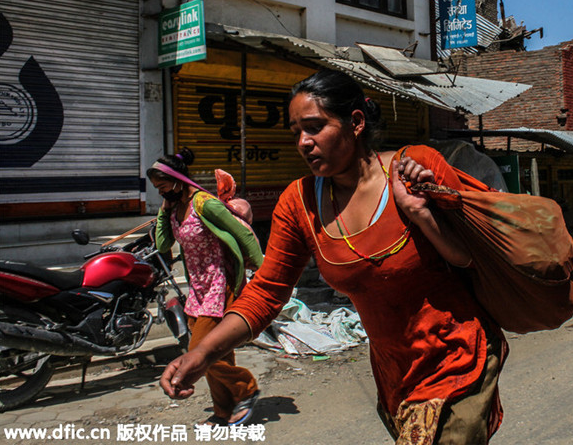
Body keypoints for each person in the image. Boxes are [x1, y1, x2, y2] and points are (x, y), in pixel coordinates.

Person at [158, 69, 508, 444]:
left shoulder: (415, 167)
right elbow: (267, 292)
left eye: (314, 127)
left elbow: (474, 258)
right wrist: (203, 354)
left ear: (355, 122)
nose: (304, 143)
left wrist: (422, 212)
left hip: (459, 357)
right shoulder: (299, 202)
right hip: (395, 376)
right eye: (296, 133)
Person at [147, 148, 264, 427]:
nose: (162, 194)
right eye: (157, 191)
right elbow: (162, 245)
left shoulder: (205, 203)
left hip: (219, 284)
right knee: (220, 351)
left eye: (164, 188)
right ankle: (224, 412)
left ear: (178, 180)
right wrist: (164, 211)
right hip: (198, 288)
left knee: (201, 349)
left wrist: (265, 273)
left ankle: (246, 389)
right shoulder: (174, 209)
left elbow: (243, 234)